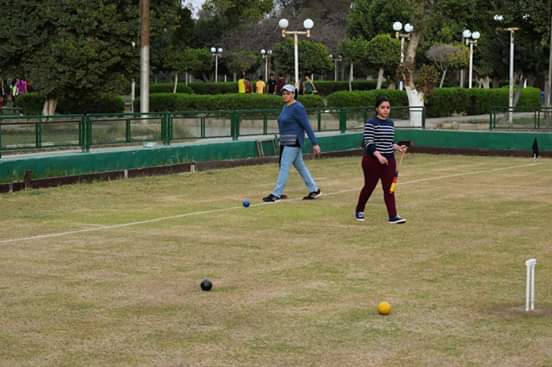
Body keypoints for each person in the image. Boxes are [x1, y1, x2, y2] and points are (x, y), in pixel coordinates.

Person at [263, 84, 321, 202]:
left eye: (287, 93)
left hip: (293, 140)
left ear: (293, 94)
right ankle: (314, 189)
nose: (285, 96)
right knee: (300, 166)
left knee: (284, 166)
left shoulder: (298, 107)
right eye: (283, 93)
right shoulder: (286, 107)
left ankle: (276, 194)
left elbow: (307, 126)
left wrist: (315, 143)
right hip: (285, 140)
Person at [355, 96, 408, 224]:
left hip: (389, 160)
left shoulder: (390, 123)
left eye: (388, 108)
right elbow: (368, 142)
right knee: (369, 186)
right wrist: (378, 156)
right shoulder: (371, 123)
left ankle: (393, 216)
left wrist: (398, 147)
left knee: (389, 188)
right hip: (372, 161)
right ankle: (359, 210)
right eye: (383, 107)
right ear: (377, 109)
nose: (386, 110)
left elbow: (390, 142)